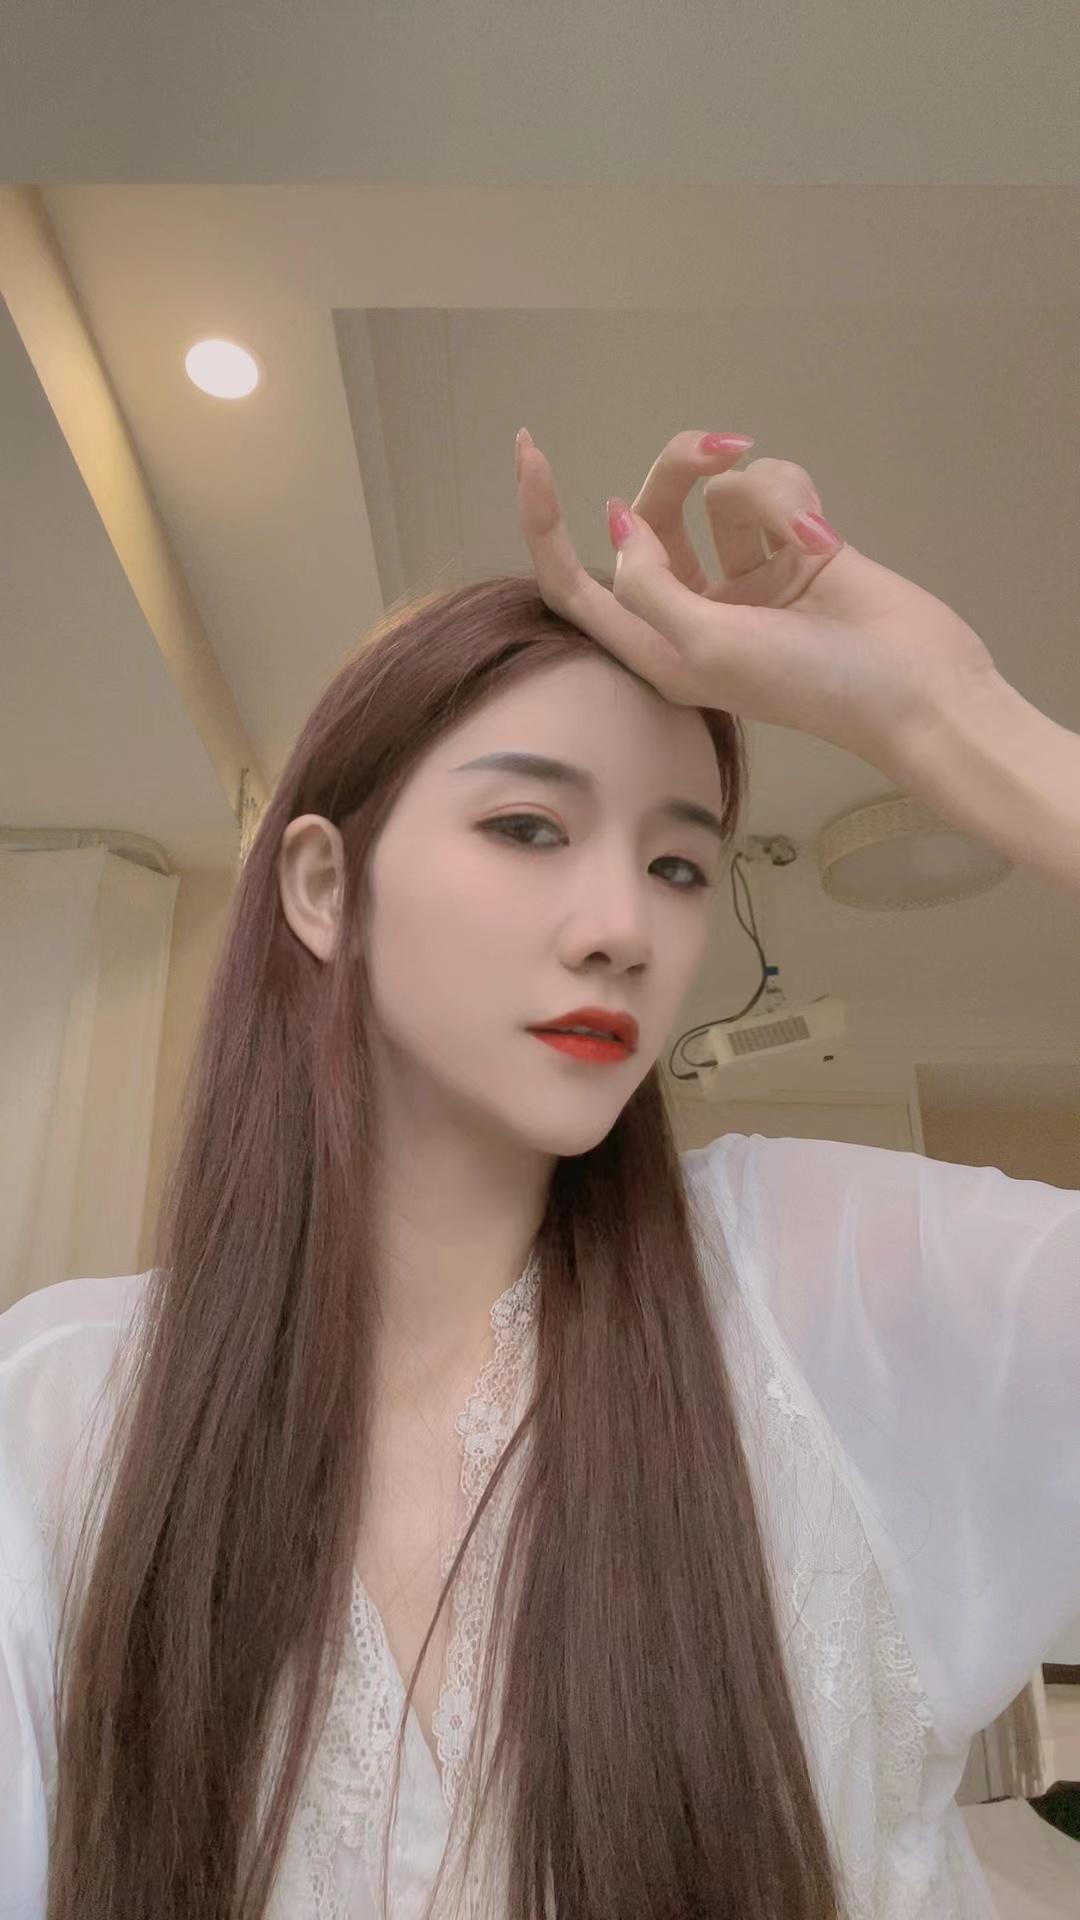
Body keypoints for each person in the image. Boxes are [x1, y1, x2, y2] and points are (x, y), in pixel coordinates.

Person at [1, 427, 1077, 1919]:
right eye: (527, 826)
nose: (623, 926)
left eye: (680, 864)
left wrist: (953, 716)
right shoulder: (66, 1409)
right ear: (323, 887)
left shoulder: (824, 1295)